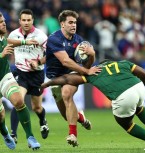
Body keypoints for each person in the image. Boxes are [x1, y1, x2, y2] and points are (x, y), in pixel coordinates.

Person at [41, 59, 145, 150]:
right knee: (139, 108)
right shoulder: (122, 63)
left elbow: (67, 79)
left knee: (125, 123)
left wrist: (47, 84)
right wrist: (140, 87)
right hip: (138, 87)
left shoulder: (95, 72)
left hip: (123, 95)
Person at [0, 10, 40, 150]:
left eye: (4, 21)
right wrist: (2, 54)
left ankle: (30, 136)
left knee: (18, 100)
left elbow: (8, 41)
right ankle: (5, 133)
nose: (4, 24)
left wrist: (25, 41)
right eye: (1, 22)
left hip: (5, 76)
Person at [45, 10, 101, 147]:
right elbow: (65, 61)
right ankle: (81, 118)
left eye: (75, 22)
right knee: (67, 116)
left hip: (71, 75)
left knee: (66, 94)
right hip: (55, 78)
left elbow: (86, 64)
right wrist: (87, 71)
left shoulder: (79, 41)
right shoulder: (54, 39)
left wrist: (92, 55)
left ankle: (72, 135)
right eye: (70, 22)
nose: (73, 25)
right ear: (62, 24)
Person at [7, 9, 49, 143]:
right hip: (21, 74)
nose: (26, 22)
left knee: (37, 107)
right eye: (23, 20)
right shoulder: (13, 34)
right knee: (18, 101)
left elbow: (52, 54)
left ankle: (43, 121)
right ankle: (13, 134)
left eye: (28, 20)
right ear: (19, 21)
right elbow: (8, 47)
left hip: (36, 75)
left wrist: (38, 62)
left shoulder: (41, 36)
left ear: (32, 21)